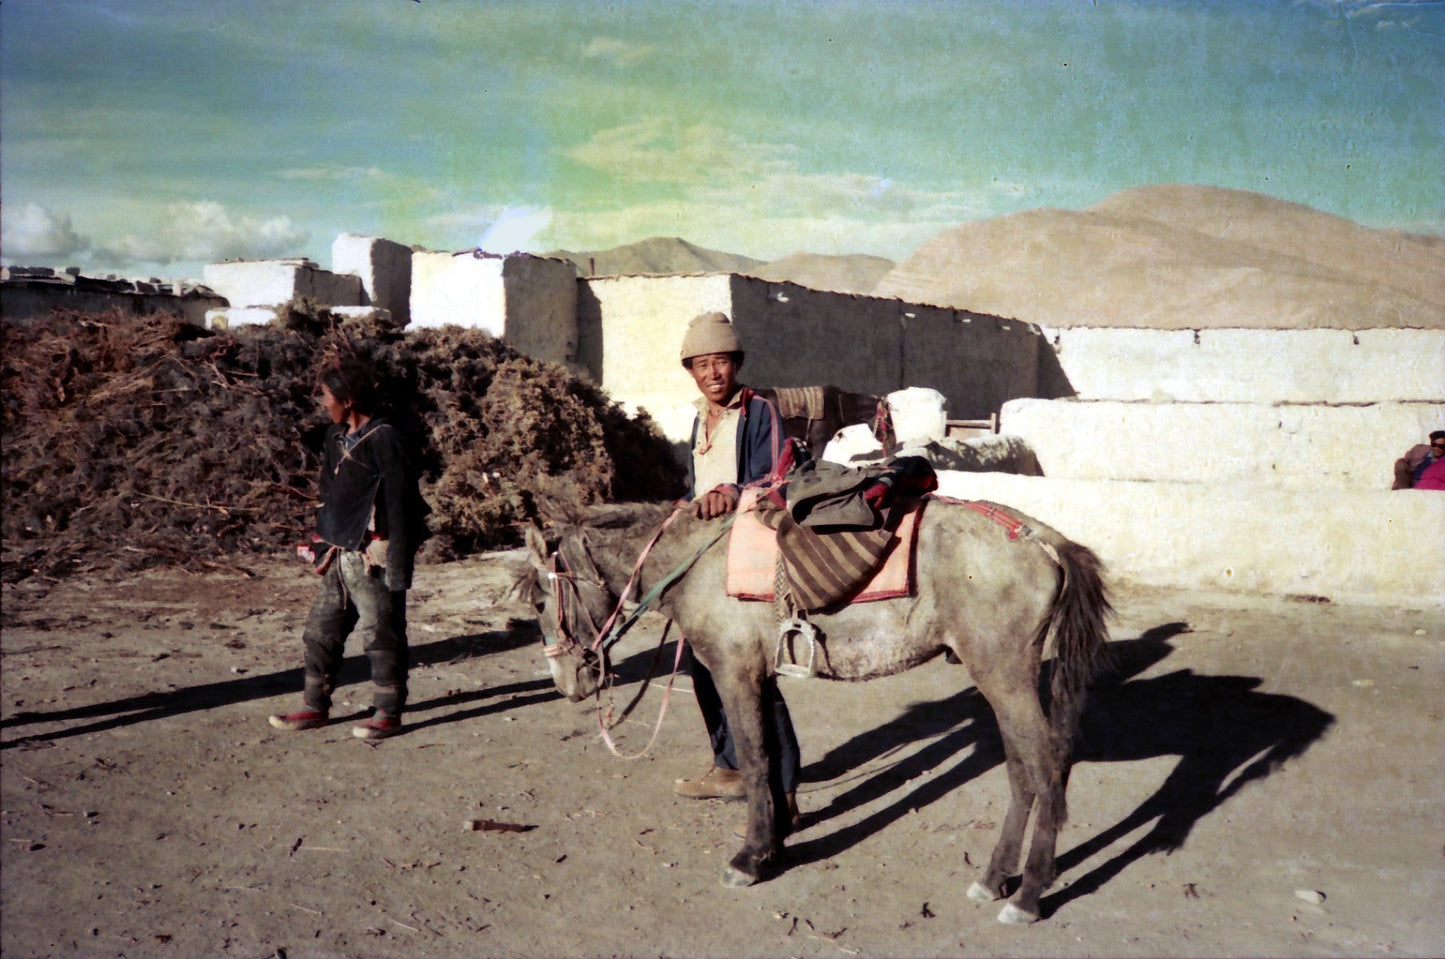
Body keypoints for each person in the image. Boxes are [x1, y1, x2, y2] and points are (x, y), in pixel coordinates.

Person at [672, 311, 803, 829]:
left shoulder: (759, 410)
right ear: (691, 371)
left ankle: (786, 788)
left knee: (753, 674)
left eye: (721, 363)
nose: (713, 374)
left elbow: (775, 475)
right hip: (705, 559)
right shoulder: (698, 419)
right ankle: (728, 766)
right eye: (702, 365)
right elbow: (696, 482)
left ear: (736, 365)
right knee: (700, 664)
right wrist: (685, 504)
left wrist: (732, 491)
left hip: (750, 548)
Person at [269, 357, 428, 740]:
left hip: (373, 556)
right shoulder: (333, 438)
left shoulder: (386, 438)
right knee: (320, 631)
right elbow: (329, 493)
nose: (324, 405)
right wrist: (319, 539)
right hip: (338, 554)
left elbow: (401, 503)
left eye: (327, 397)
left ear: (349, 400)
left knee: (381, 633)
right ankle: (314, 706)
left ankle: (388, 711)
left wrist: (396, 559)